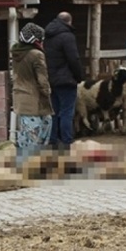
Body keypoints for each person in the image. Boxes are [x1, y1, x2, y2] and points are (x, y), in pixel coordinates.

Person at [10, 23, 53, 165]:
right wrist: (47, 93)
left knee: (26, 134)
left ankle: (23, 165)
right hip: (35, 99)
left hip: (20, 97)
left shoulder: (16, 53)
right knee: (40, 132)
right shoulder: (37, 55)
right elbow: (42, 80)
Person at [43, 12, 83, 151]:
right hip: (66, 80)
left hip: (52, 79)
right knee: (67, 112)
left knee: (54, 111)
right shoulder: (67, 36)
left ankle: (53, 140)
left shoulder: (47, 36)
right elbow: (74, 59)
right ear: (69, 22)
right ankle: (67, 141)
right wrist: (79, 76)